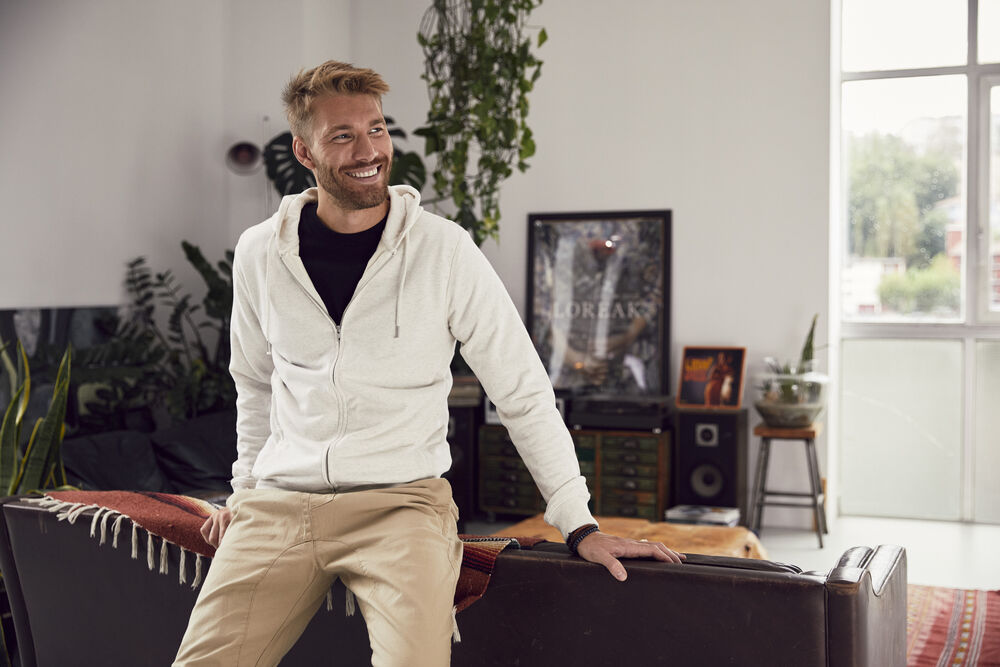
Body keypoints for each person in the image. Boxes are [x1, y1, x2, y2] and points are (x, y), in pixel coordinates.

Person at [173, 60, 684, 667]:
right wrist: (245, 489)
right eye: (343, 136)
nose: (369, 150)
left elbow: (521, 389)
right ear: (304, 152)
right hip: (279, 505)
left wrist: (579, 523)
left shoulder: (444, 250)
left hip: (402, 507)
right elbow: (255, 383)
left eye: (377, 129)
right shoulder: (261, 251)